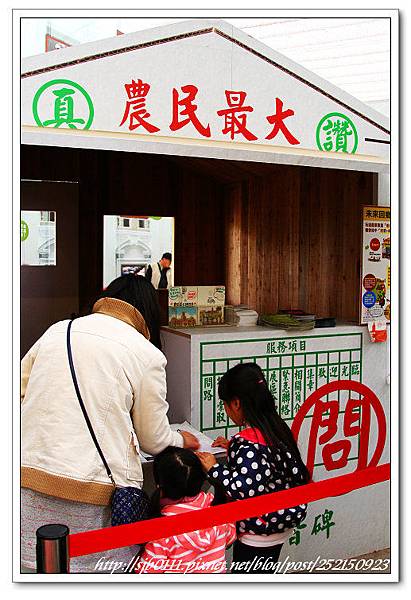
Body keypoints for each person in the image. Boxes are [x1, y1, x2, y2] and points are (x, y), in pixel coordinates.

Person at [21, 275, 199, 573]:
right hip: (92, 495)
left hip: (28, 480)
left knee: (44, 571)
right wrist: (181, 439)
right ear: (149, 312)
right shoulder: (146, 354)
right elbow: (153, 439)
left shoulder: (58, 330)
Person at [196, 363, 310, 574]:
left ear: (236, 403)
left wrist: (214, 468)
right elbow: (269, 460)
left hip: (258, 531)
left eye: (225, 404)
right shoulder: (275, 427)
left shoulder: (248, 445)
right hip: (281, 523)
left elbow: (244, 488)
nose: (226, 410)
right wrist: (232, 446)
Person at [135, 447, 236, 574]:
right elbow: (230, 537)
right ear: (201, 478)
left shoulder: (162, 530)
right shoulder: (217, 509)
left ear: (159, 485)